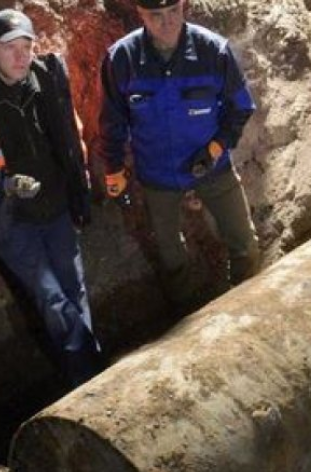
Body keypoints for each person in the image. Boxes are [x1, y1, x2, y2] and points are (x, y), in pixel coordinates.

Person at [0, 9, 101, 387]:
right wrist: (3, 183)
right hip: (6, 212)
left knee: (74, 287)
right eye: (10, 47)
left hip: (53, 200)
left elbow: (70, 138)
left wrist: (79, 190)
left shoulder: (45, 79)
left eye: (27, 46)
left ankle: (93, 374)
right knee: (51, 297)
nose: (21, 56)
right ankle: (85, 376)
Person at [98, 0, 260, 311]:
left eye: (173, 11)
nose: (168, 22)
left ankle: (248, 309)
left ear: (183, 5)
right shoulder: (122, 59)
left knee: (245, 245)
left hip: (211, 165)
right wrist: (114, 168)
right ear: (140, 14)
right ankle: (185, 316)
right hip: (157, 173)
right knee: (171, 256)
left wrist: (214, 149)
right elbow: (112, 122)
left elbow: (240, 108)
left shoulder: (213, 51)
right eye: (156, 15)